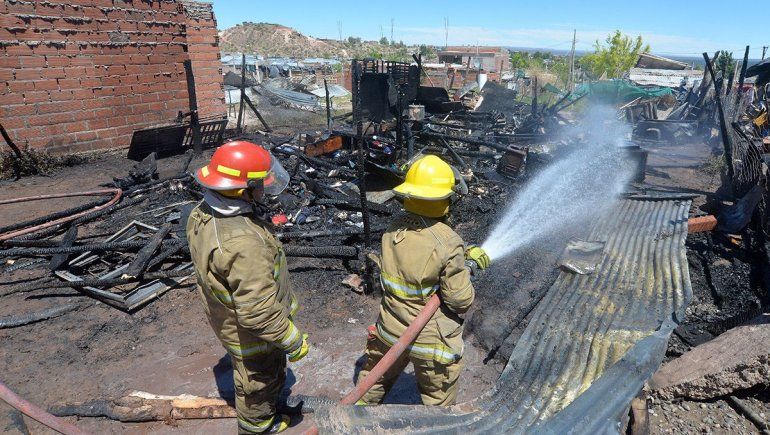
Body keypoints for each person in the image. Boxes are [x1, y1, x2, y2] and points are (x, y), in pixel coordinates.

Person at [186, 141, 309, 434]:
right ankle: (258, 427)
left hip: (227, 318)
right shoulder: (243, 244)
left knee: (256, 375)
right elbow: (258, 313)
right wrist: (292, 340)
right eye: (260, 184)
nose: (265, 188)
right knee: (258, 381)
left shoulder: (202, 212)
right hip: (252, 334)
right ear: (243, 190)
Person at [356, 155, 491, 406]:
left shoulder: (393, 228)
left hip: (389, 330)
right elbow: (460, 301)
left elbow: (416, 261)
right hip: (429, 341)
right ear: (444, 198)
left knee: (372, 383)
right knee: (437, 401)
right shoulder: (449, 242)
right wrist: (466, 267)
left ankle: (355, 418)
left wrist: (460, 257)